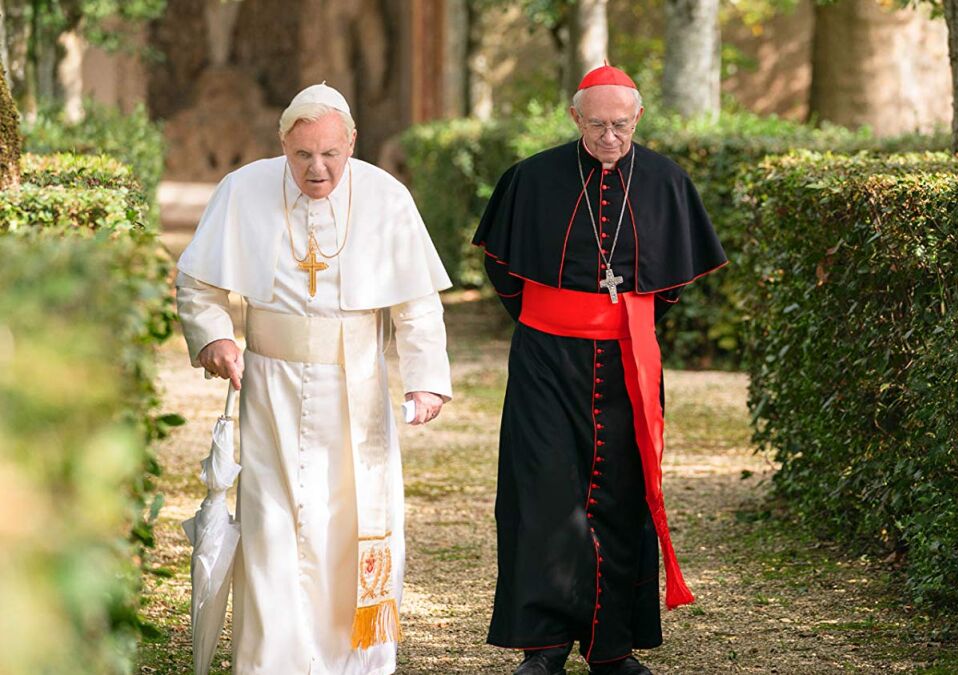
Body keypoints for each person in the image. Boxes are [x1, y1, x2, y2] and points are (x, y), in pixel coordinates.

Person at [175, 83, 453, 674]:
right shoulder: (243, 189)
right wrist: (215, 338)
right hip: (269, 389)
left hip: (358, 392)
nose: (317, 169)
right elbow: (198, 285)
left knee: (350, 527)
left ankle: (353, 664)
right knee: (272, 528)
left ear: (352, 142)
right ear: (284, 145)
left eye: (330, 153)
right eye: (302, 155)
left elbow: (417, 304)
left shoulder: (386, 197)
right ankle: (271, 662)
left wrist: (425, 379)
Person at [473, 65, 728, 675]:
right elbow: (503, 271)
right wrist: (556, 319)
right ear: (575, 118)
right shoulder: (531, 178)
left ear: (637, 118)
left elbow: (671, 283)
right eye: (596, 125)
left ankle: (611, 646)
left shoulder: (666, 180)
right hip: (545, 359)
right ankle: (543, 646)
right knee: (542, 494)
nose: (610, 137)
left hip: (626, 360)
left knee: (620, 496)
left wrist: (619, 319)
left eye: (620, 125)